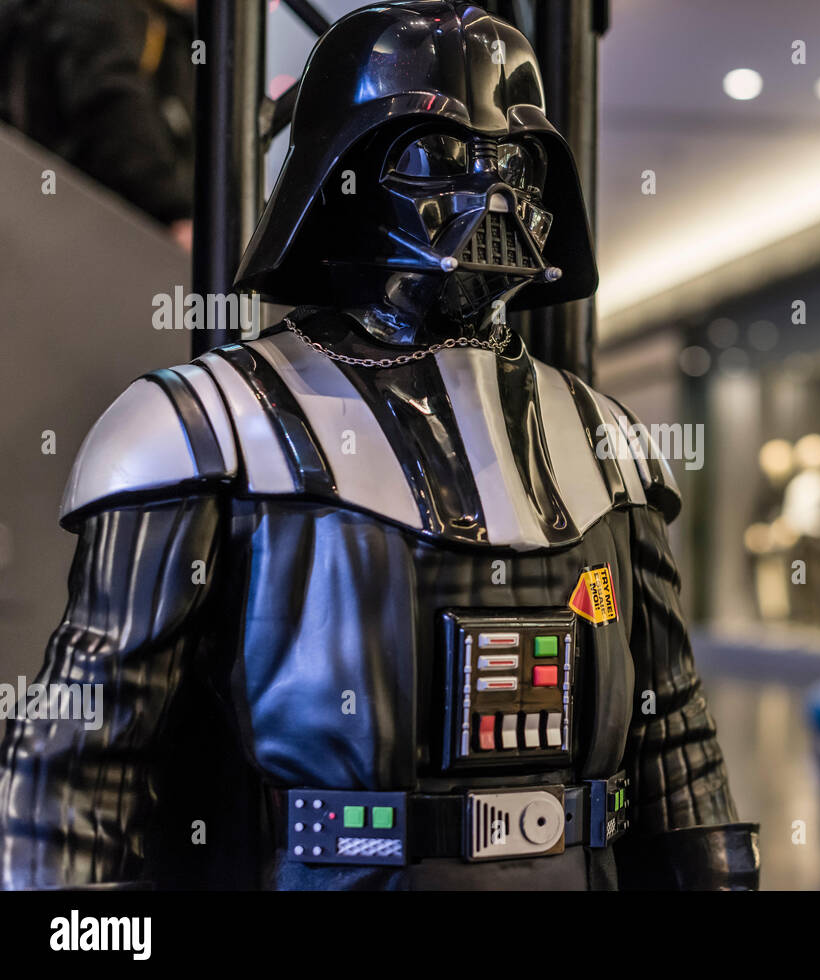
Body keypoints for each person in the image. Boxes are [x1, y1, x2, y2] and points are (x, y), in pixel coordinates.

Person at [0, 1, 758, 891]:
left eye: (513, 163)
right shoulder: (202, 432)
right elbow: (80, 760)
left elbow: (674, 747)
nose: (492, 195)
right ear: (341, 179)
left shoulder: (611, 447)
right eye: (438, 160)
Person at [0, 0, 196, 249]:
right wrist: (174, 212)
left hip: (62, 222)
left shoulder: (163, 26)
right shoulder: (96, 12)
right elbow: (114, 107)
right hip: (90, 230)